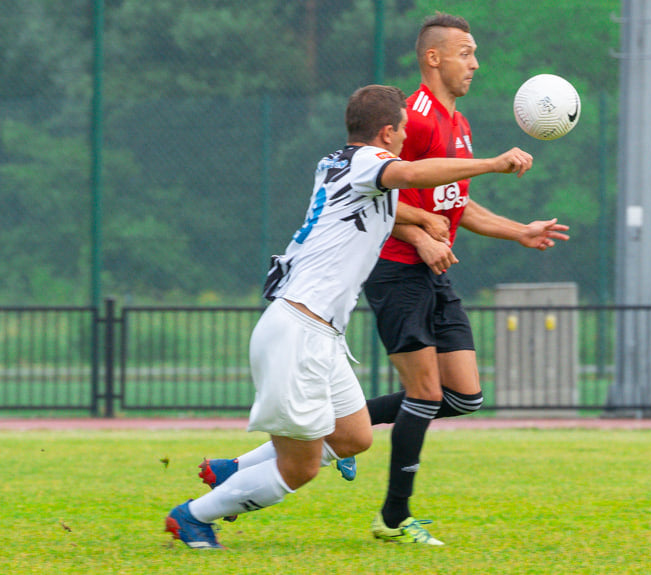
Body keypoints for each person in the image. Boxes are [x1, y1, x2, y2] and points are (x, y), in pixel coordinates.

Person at [164, 83, 534, 549]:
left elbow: (397, 202)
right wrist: (494, 164)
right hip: (298, 331)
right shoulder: (368, 162)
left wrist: (423, 224)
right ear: (386, 132)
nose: (406, 137)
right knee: (297, 467)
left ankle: (230, 471)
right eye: (402, 129)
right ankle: (194, 516)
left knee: (355, 436)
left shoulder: (338, 164)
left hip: (318, 333)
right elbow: (417, 175)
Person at [362, 12, 570, 546]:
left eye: (474, 53)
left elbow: (457, 203)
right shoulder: (416, 117)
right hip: (397, 269)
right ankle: (393, 518)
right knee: (425, 393)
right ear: (434, 58)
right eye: (465, 53)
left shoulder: (458, 123)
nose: (475, 63)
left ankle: (337, 430)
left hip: (434, 273)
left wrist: (519, 231)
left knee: (463, 396)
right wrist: (421, 237)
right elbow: (379, 190)